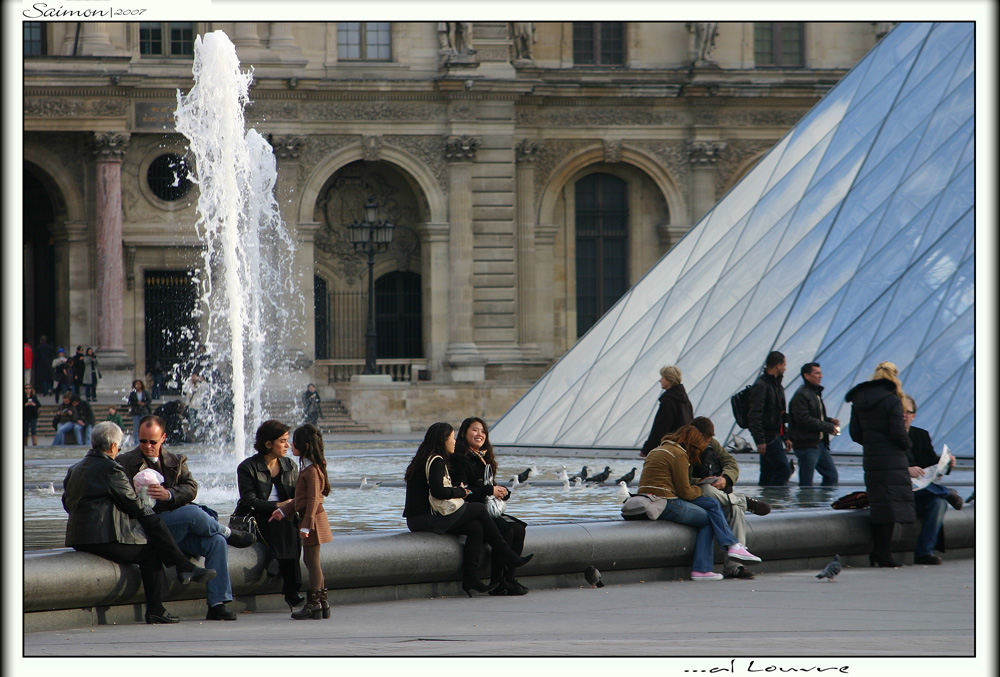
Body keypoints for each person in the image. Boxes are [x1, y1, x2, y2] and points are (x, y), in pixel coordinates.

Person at [62, 421, 217, 624]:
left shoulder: (76, 468)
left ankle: (180, 570)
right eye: (118, 446)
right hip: (100, 538)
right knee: (151, 550)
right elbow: (134, 505)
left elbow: (67, 503)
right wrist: (148, 510)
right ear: (112, 447)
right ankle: (159, 603)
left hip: (77, 537)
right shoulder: (111, 468)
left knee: (151, 528)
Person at [117, 415, 255, 621]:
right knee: (193, 514)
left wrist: (169, 494)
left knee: (215, 542)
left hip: (174, 527)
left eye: (152, 441)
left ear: (163, 438)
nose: (147, 446)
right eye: (142, 441)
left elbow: (191, 488)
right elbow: (121, 499)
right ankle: (228, 532)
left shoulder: (176, 460)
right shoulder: (124, 462)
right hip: (147, 527)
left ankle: (217, 604)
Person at [403, 422, 532, 596]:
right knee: (478, 510)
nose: (454, 442)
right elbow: (438, 491)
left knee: (475, 527)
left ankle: (471, 578)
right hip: (427, 518)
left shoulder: (425, 459)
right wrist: (461, 491)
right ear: (443, 440)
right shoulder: (437, 461)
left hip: (419, 518)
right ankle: (505, 553)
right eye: (452, 438)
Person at [636, 421, 762, 580]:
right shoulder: (679, 454)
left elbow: (681, 484)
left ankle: (731, 548)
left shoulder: (661, 448)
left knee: (712, 504)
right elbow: (686, 492)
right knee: (709, 515)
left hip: (656, 497)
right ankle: (706, 566)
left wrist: (701, 483)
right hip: (665, 501)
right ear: (694, 441)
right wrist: (703, 485)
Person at [845, 361, 915, 568]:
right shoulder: (892, 400)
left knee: (879, 505)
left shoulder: (859, 399)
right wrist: (906, 444)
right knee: (891, 507)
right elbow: (897, 432)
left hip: (872, 458)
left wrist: (872, 441)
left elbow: (855, 433)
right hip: (892, 459)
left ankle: (877, 553)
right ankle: (883, 554)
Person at [449, 416, 529, 596]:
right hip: (472, 511)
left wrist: (503, 492)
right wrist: (490, 490)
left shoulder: (484, 457)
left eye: (483, 431)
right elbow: (465, 491)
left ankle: (509, 578)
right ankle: (497, 581)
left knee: (519, 529)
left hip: (486, 510)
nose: (480, 434)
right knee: (507, 530)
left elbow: (489, 486)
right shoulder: (459, 458)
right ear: (464, 433)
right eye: (475, 430)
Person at [688, 416, 771, 579]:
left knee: (735, 508)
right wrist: (699, 481)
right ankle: (744, 501)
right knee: (706, 490)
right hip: (694, 493)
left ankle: (735, 567)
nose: (707, 442)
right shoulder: (683, 447)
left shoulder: (712, 443)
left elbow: (730, 462)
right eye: (705, 439)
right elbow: (679, 480)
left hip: (715, 494)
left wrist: (725, 478)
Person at [237, 420, 303, 611]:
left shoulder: (289, 465)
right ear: (268, 444)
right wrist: (278, 506)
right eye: (282, 441)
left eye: (287, 440)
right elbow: (249, 501)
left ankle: (278, 560)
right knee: (282, 522)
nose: (287, 445)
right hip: (257, 517)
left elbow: (297, 495)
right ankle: (291, 592)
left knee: (288, 523)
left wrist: (288, 507)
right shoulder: (247, 467)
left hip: (283, 517)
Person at [271, 424, 333, 619]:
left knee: (311, 561)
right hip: (312, 516)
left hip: (313, 518)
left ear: (305, 445)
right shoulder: (308, 466)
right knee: (310, 560)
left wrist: (306, 524)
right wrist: (283, 510)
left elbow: (313, 499)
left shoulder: (312, 470)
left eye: (294, 442)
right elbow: (301, 498)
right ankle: (321, 603)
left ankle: (315, 604)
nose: (290, 445)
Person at [903, 394, 963, 565]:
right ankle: (946, 493)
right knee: (939, 498)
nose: (904, 415)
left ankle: (924, 552)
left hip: (922, 491)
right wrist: (906, 470)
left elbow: (932, 464)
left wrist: (947, 463)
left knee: (939, 504)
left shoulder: (921, 435)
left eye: (908, 412)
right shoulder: (889, 437)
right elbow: (884, 465)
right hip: (901, 490)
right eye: (901, 411)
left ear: (914, 415)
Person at [788, 362, 840, 487]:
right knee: (806, 482)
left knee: (832, 476)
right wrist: (828, 427)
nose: (820, 376)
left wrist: (829, 420)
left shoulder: (814, 393)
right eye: (816, 373)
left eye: (820, 373)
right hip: (807, 444)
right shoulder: (802, 394)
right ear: (806, 376)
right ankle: (806, 505)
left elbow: (815, 416)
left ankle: (824, 504)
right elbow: (803, 419)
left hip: (819, 444)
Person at [749, 351, 793, 486]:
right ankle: (776, 501)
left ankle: (765, 503)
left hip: (775, 436)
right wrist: (760, 440)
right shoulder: (762, 385)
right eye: (784, 364)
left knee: (768, 473)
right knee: (784, 470)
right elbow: (754, 414)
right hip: (768, 437)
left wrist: (785, 436)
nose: (785, 368)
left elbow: (780, 414)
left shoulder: (777, 385)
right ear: (778, 365)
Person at [639, 365, 694, 457]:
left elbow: (660, 427)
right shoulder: (684, 400)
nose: (660, 380)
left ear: (670, 380)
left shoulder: (669, 400)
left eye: (663, 378)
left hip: (670, 448)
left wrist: (647, 449)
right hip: (684, 447)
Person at [127, 379, 152, 445]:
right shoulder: (133, 393)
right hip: (136, 411)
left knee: (145, 426)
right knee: (136, 427)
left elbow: (149, 400)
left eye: (139, 384)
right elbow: (130, 402)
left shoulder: (145, 393)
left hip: (144, 411)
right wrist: (137, 403)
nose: (138, 386)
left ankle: (145, 440)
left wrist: (144, 404)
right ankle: (136, 441)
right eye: (136, 384)